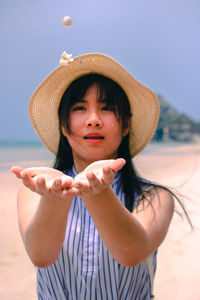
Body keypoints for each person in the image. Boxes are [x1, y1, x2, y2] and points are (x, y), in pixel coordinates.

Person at [11, 52, 176, 300]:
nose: (93, 120)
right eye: (79, 108)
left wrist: (97, 192)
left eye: (107, 108)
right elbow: (41, 255)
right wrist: (56, 195)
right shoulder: (35, 191)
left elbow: (131, 252)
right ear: (64, 126)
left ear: (126, 125)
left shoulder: (154, 197)